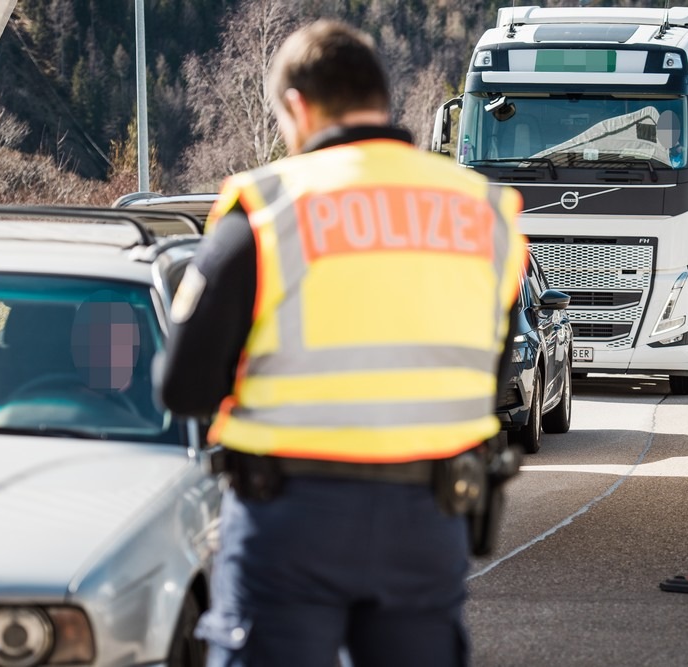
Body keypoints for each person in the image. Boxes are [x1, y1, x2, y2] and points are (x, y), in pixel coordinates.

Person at [157, 19, 527, 667]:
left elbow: (184, 386)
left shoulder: (270, 207)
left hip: (290, 518)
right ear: (381, 99)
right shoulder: (483, 212)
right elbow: (495, 380)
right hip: (428, 518)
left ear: (297, 106)